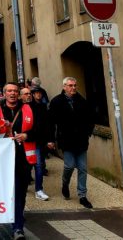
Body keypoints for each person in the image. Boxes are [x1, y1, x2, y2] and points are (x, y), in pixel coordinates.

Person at [0, 83, 38, 240]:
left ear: (20, 94)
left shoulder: (30, 108)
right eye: (9, 91)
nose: (13, 94)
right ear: (4, 93)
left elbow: (42, 129)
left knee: (21, 192)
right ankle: (17, 226)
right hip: (3, 159)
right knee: (12, 191)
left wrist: (27, 135)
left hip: (23, 157)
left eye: (15, 91)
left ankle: (18, 221)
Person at [48, 77, 95, 209]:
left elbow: (90, 117)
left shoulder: (82, 101)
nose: (73, 88)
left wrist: (88, 131)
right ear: (64, 87)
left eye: (74, 85)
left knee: (82, 168)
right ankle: (65, 184)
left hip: (81, 140)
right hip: (66, 140)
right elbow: (51, 122)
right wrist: (51, 139)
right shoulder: (57, 101)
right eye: (70, 85)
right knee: (69, 166)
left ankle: (82, 195)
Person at [30, 86, 50, 201]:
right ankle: (37, 188)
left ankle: (39, 189)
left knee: (39, 165)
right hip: (31, 139)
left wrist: (48, 139)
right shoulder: (28, 106)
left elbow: (47, 124)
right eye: (36, 93)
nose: (38, 95)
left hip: (40, 140)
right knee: (34, 166)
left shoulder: (43, 107)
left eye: (39, 93)